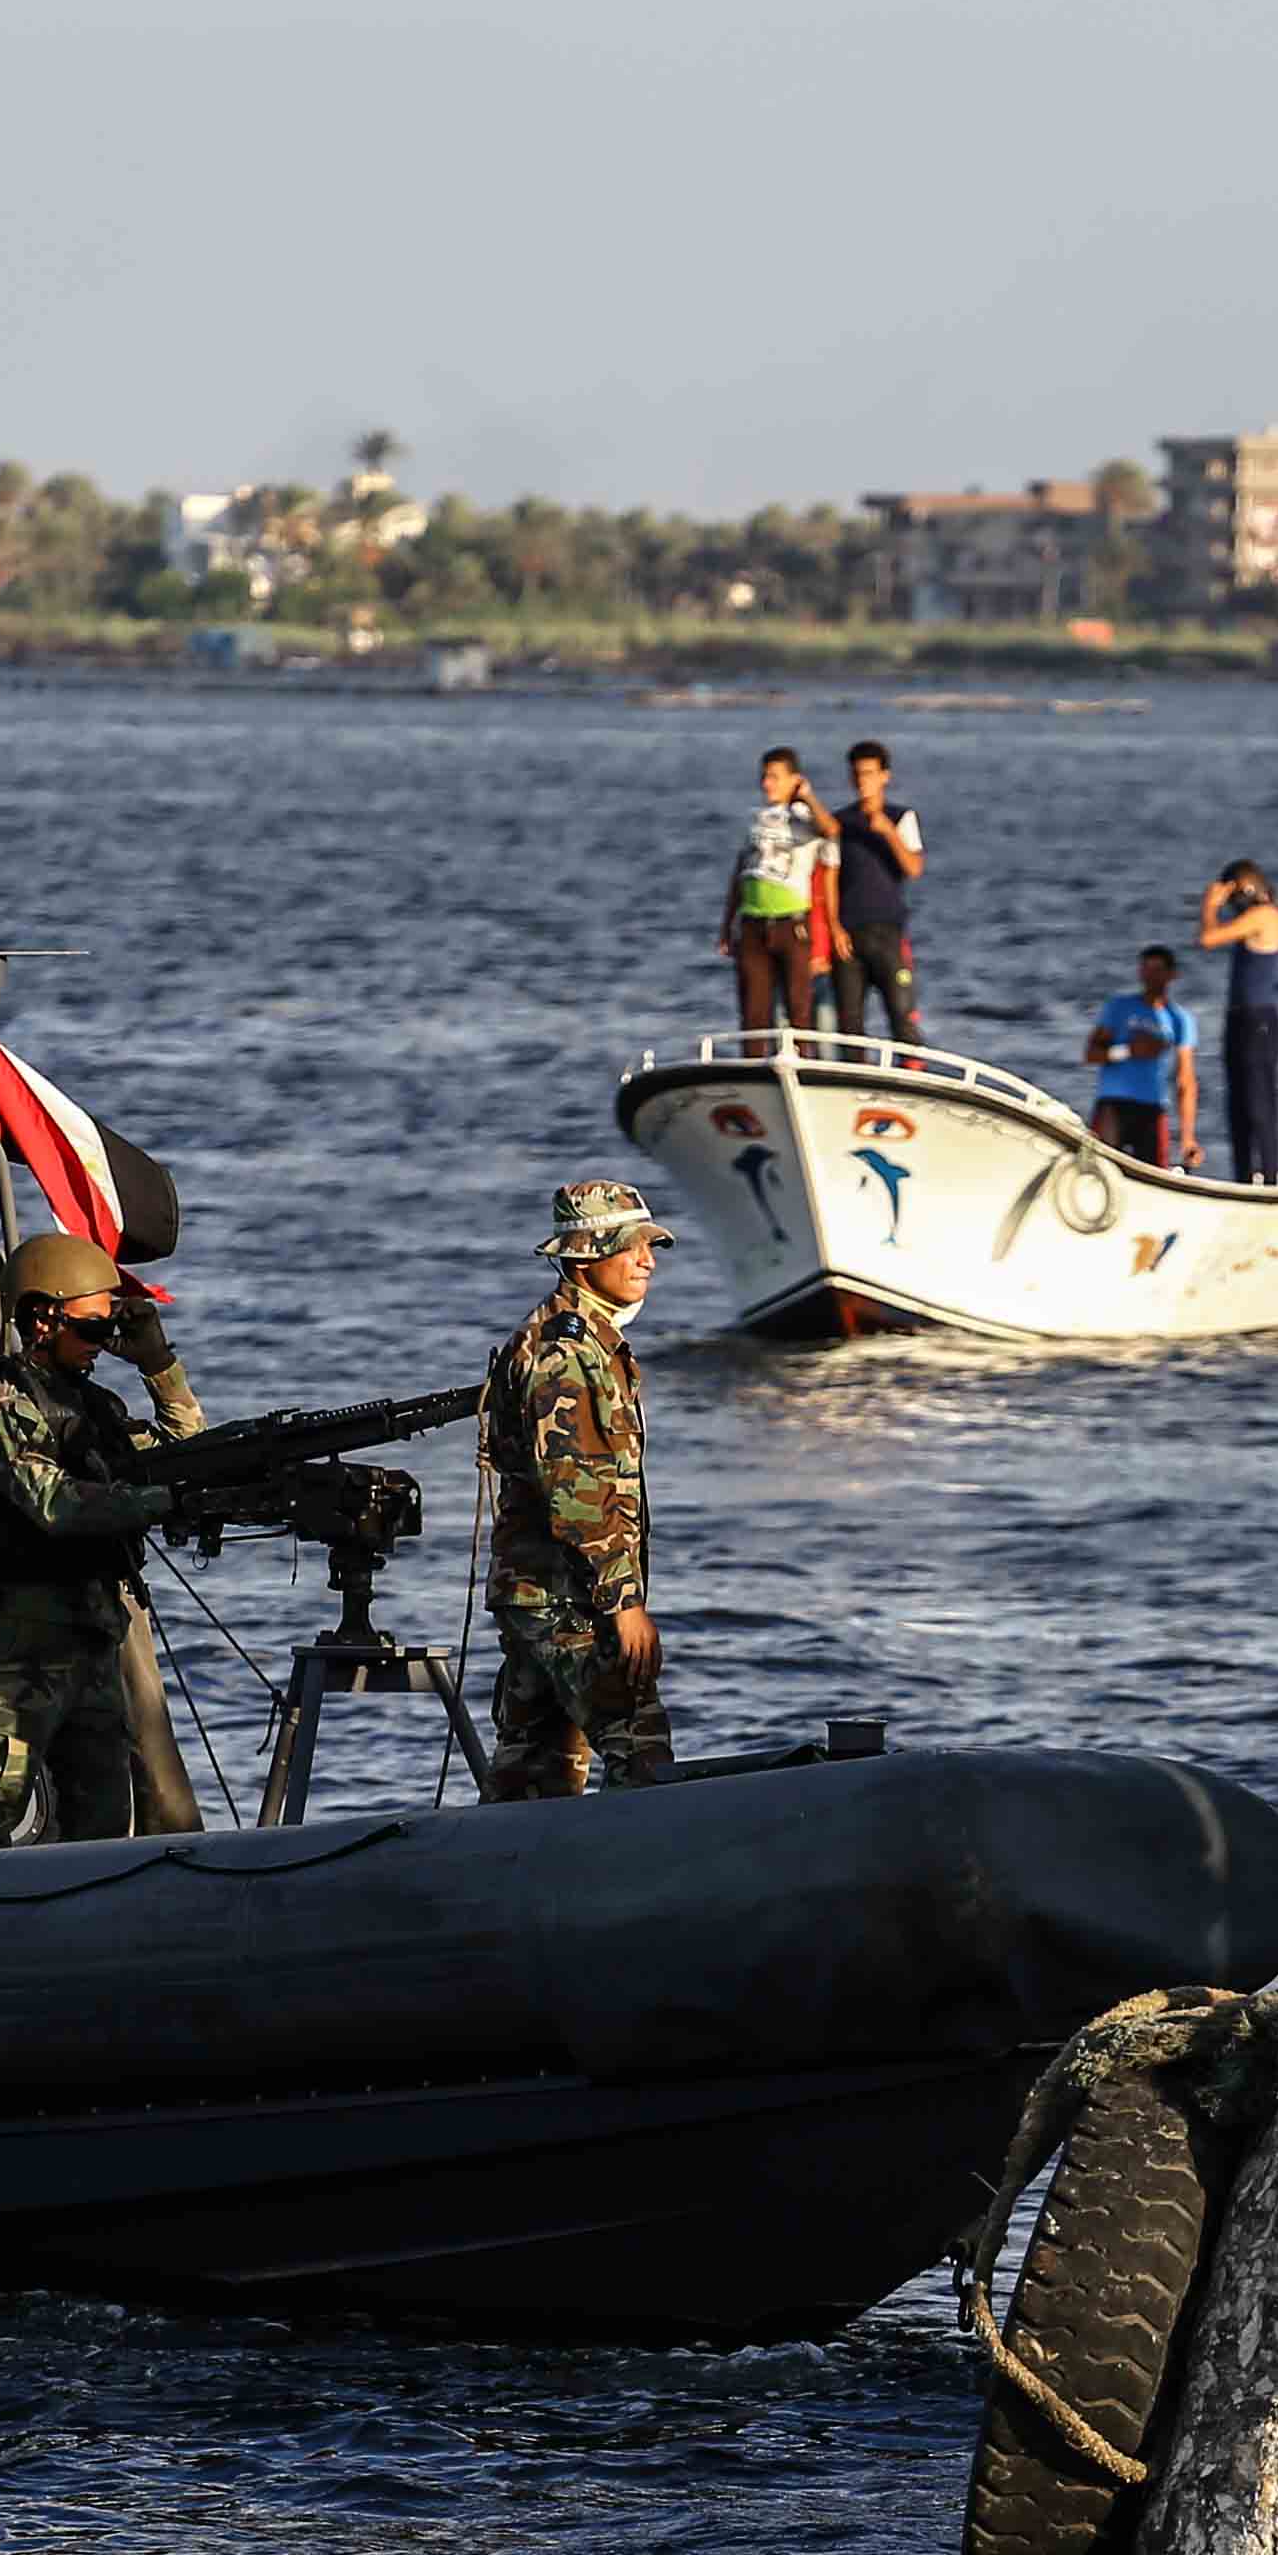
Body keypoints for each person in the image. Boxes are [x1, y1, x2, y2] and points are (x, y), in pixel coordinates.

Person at [0, 1233, 178, 1849]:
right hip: (19, 1652)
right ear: (44, 1318)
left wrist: (160, 1368)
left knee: (100, 1828)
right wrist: (159, 1502)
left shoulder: (95, 1405)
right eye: (93, 1328)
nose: (104, 1345)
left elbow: (180, 1456)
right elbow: (55, 1504)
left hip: (91, 1641)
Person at [483, 1181, 674, 1798]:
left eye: (650, 1246)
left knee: (534, 1769)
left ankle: (498, 1884)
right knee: (641, 1750)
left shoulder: (576, 1340)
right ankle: (636, 1890)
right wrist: (623, 1603)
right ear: (587, 1257)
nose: (647, 1259)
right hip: (566, 1597)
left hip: (538, 1591)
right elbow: (579, 1494)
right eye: (631, 1247)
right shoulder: (568, 1351)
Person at [719, 744, 835, 1034]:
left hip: (791, 924)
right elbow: (740, 873)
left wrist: (806, 795)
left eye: (773, 777)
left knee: (798, 1009)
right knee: (753, 1013)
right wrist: (726, 924)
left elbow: (831, 830)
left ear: (793, 779)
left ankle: (802, 1066)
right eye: (764, 777)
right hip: (752, 924)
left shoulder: (803, 817)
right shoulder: (757, 819)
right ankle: (753, 1069)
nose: (766, 783)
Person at [830, 743, 931, 1045]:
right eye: (858, 774)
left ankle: (911, 1081)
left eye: (870, 774)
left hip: (888, 932)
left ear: (885, 776)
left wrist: (887, 831)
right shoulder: (840, 823)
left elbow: (914, 867)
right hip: (848, 936)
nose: (863, 780)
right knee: (849, 1025)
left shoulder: (901, 817)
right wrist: (834, 927)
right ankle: (851, 1085)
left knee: (902, 1017)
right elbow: (830, 878)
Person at [1202, 860, 1278, 1180]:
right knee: (1237, 1103)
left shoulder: (1266, 916)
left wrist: (1210, 906)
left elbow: (1209, 938)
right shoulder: (1252, 917)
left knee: (1258, 1101)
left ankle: (1268, 1177)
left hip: (1258, 1022)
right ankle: (1242, 1175)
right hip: (1240, 1019)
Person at [1087, 944, 1199, 1165]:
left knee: (1153, 1172)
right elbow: (1091, 1054)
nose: (1150, 977)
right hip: (1114, 1101)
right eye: (1146, 970)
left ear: (1171, 975)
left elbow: (1185, 1079)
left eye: (1157, 970)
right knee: (1102, 1164)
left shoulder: (1179, 1019)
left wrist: (1188, 1139)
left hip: (1152, 1106)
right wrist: (1127, 1051)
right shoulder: (1119, 1007)